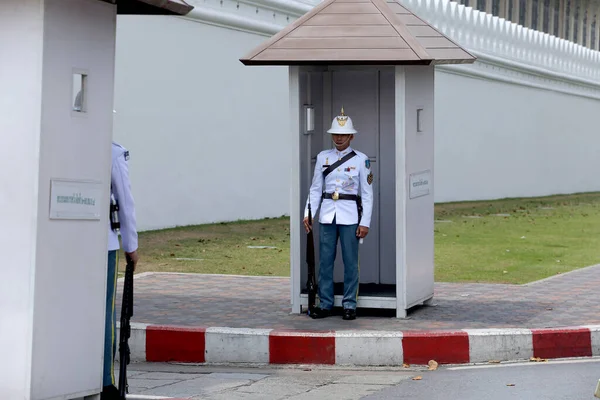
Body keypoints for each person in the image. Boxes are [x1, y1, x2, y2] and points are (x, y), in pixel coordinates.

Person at [303, 108, 373, 321]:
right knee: (325, 261)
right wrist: (309, 213)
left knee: (351, 262)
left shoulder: (361, 160)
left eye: (343, 135)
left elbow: (367, 194)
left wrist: (365, 222)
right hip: (327, 215)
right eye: (336, 134)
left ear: (351, 136)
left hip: (350, 215)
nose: (339, 138)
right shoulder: (323, 157)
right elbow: (316, 188)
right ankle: (325, 304)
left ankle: (349, 304)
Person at [102, 141, 139, 399]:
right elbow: (125, 201)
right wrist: (131, 245)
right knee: (105, 313)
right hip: (104, 245)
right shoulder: (112, 151)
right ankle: (105, 380)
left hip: (69, 245)